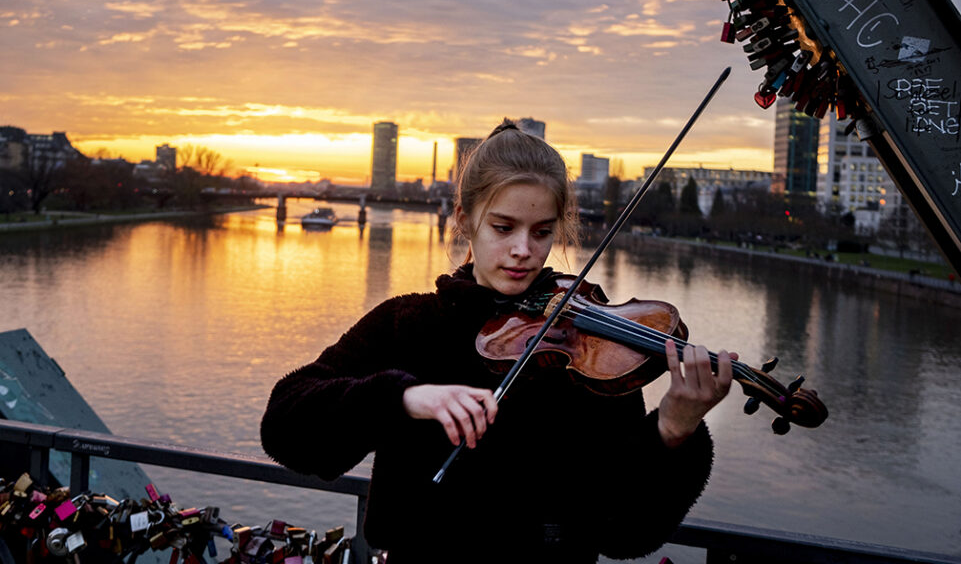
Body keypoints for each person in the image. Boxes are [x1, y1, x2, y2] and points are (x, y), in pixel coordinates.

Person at [260, 120, 734, 563]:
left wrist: (674, 430)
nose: (523, 250)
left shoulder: (588, 347)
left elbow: (626, 536)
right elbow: (285, 427)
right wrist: (403, 397)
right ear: (465, 220)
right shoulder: (409, 324)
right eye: (504, 228)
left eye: (542, 232)